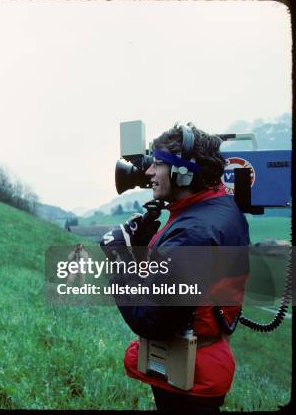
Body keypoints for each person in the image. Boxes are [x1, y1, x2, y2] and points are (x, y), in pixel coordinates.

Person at [101, 123, 249, 411]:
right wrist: (144, 250)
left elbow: (151, 320)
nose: (148, 172)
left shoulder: (192, 234)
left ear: (184, 172)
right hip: (204, 363)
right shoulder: (218, 208)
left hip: (189, 380)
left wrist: (120, 259)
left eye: (158, 164)